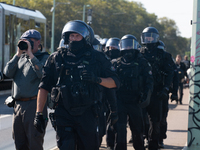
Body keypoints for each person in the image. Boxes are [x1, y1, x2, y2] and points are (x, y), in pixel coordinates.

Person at [34, 20, 120, 150]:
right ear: (66, 37)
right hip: (64, 113)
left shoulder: (97, 58)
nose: (74, 39)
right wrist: (38, 114)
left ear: (84, 38)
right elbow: (44, 86)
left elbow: (115, 82)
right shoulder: (56, 58)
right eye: (71, 36)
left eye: (77, 36)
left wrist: (97, 79)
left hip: (88, 113)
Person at [3, 29, 49, 150]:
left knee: (34, 141)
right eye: (23, 41)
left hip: (34, 105)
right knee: (19, 141)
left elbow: (42, 74)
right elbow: (7, 72)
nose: (26, 43)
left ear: (38, 42)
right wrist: (18, 54)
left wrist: (31, 55)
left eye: (30, 41)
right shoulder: (20, 58)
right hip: (18, 105)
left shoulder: (44, 57)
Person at [114, 34, 153, 150]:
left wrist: (146, 96)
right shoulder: (116, 63)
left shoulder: (142, 62)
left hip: (135, 101)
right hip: (120, 100)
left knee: (137, 130)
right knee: (119, 129)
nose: (127, 48)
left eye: (130, 45)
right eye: (125, 45)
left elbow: (149, 81)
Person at [140, 27, 174, 150]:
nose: (149, 39)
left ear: (156, 38)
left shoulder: (164, 55)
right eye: (146, 37)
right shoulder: (139, 54)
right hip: (142, 92)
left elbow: (170, 73)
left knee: (156, 121)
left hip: (157, 92)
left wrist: (166, 89)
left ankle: (154, 143)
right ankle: (143, 138)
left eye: (151, 37)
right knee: (142, 119)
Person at [157, 40, 179, 148]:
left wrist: (174, 92)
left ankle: (160, 138)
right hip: (151, 92)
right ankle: (149, 138)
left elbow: (175, 77)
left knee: (161, 118)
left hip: (163, 92)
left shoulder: (168, 59)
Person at [103, 37, 121, 150]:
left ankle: (115, 144)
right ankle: (109, 144)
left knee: (117, 122)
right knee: (107, 121)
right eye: (110, 47)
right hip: (106, 95)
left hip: (119, 95)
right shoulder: (103, 59)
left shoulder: (122, 60)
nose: (111, 49)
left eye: (114, 47)